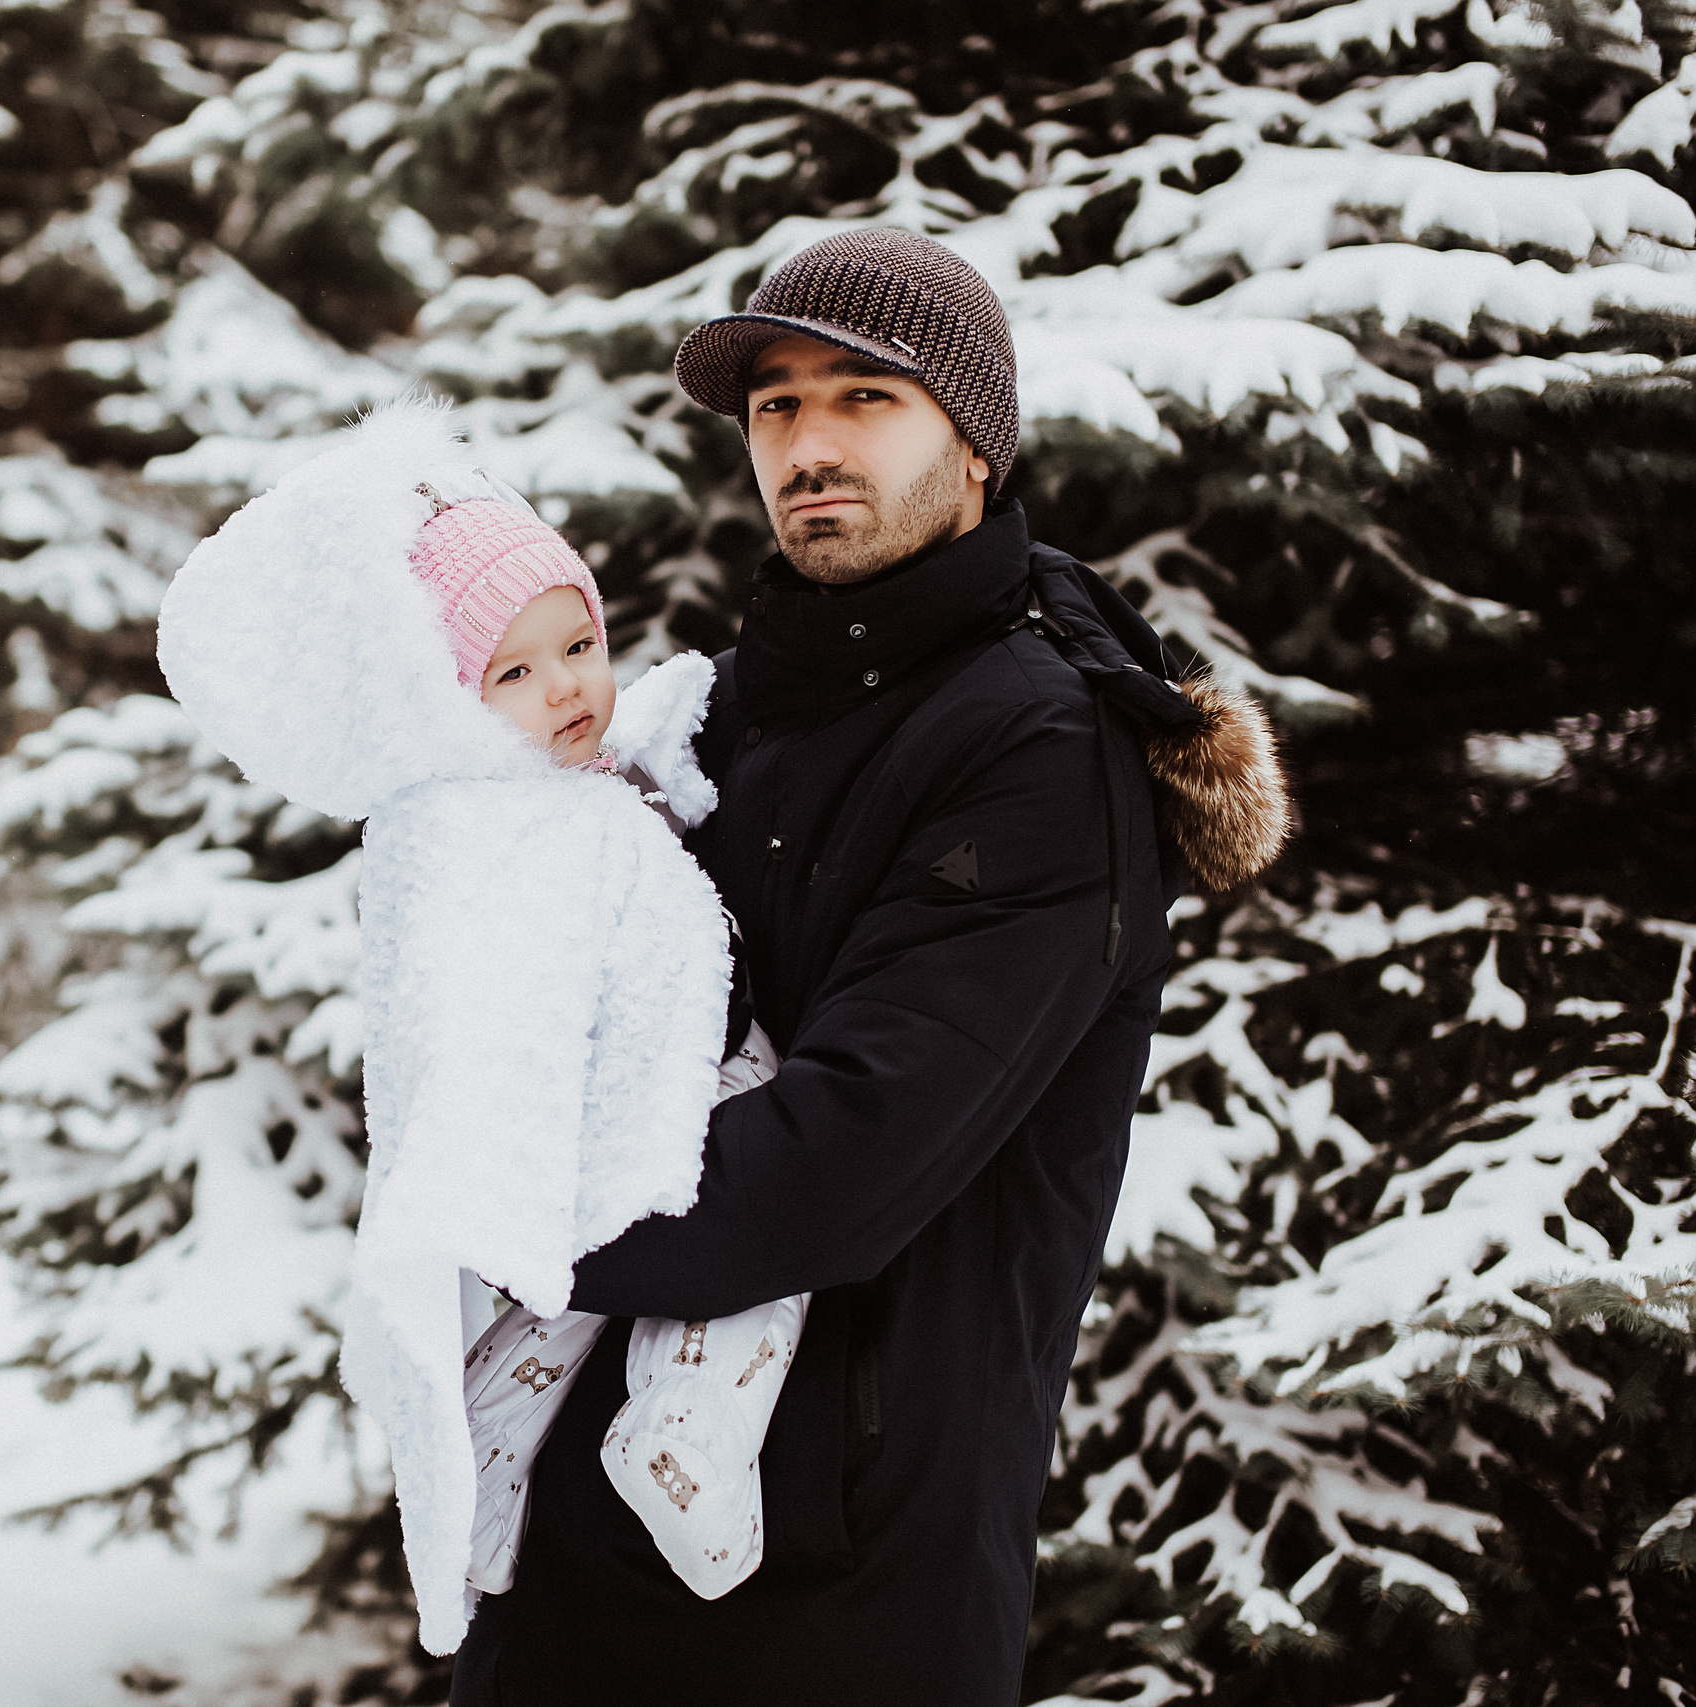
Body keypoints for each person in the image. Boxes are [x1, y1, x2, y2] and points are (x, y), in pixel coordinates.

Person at [450, 230, 1291, 1704]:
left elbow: (827, 1168)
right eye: (776, 405)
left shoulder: (1038, 744)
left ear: (974, 440)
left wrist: (489, 1185)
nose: (808, 442)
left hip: (834, 1597)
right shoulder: (722, 711)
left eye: (863, 397)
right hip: (573, 1564)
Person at [154, 404, 801, 1656]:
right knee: (757, 1266)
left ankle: (494, 1463)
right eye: (513, 673)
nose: (567, 687)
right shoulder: (474, 825)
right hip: (662, 1082)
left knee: (549, 1322)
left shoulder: (576, 778)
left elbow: (666, 764)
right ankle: (690, 1427)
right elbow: (476, 994)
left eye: (578, 643)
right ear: (446, 703)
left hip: (647, 1079)